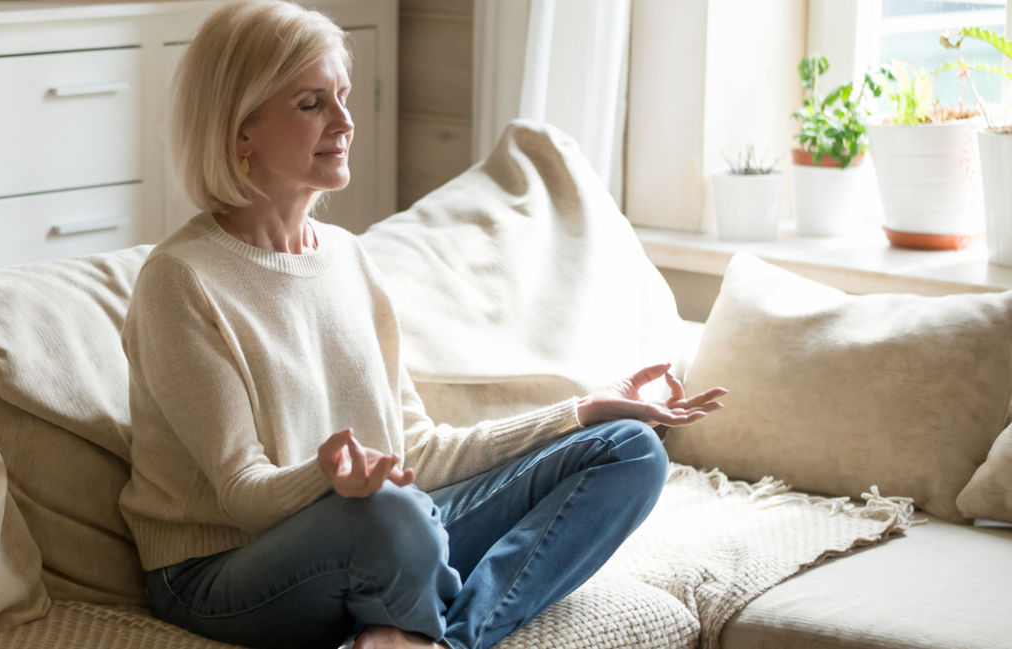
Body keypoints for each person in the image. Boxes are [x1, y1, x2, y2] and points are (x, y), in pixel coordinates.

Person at [119, 2, 726, 648]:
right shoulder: (180, 280)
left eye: (344, 96)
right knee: (390, 516)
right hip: (222, 572)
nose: (346, 121)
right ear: (241, 131)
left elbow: (419, 450)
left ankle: (436, 638)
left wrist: (578, 411)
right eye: (311, 103)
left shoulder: (350, 260)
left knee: (631, 448)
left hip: (377, 530)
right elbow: (243, 491)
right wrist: (330, 478)